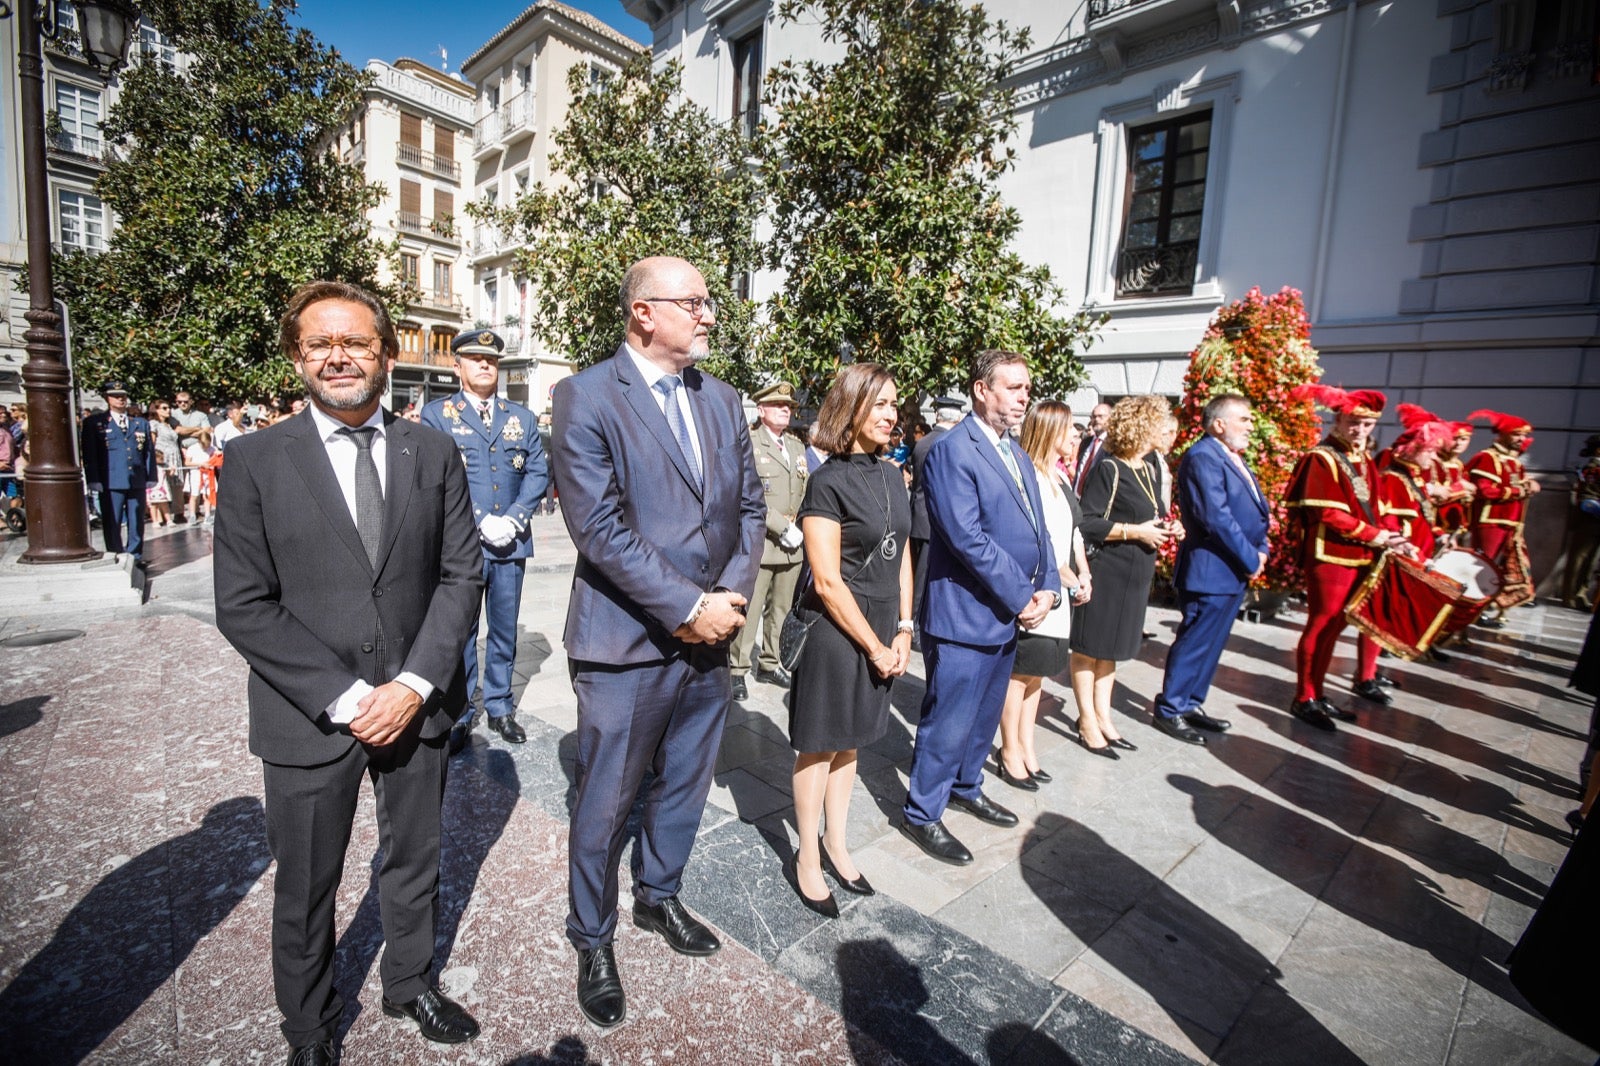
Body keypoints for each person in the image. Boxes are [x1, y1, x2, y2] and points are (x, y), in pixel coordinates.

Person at [212, 280, 485, 1064]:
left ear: (387, 354)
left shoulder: (431, 450)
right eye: (320, 344)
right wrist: (349, 695)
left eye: (357, 342)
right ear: (297, 357)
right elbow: (244, 603)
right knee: (306, 887)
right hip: (307, 716)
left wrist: (413, 686)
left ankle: (410, 984)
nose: (339, 357)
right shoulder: (255, 460)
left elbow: (460, 577)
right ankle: (309, 1026)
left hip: (418, 707)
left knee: (414, 861)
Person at [548, 256, 764, 1028]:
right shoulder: (585, 395)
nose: (710, 314)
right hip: (627, 643)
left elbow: (749, 507)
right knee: (606, 800)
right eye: (695, 302)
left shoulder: (724, 398)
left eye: (708, 302)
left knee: (684, 786)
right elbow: (598, 527)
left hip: (711, 639)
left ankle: (659, 898)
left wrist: (727, 600)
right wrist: (686, 605)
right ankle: (592, 936)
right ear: (644, 312)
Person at [900, 349, 1060, 866]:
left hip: (1007, 613)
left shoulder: (1015, 452)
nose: (1024, 397)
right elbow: (966, 538)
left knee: (986, 714)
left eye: (1026, 388)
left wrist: (1050, 586)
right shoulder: (954, 450)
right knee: (949, 718)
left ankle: (967, 787)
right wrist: (1022, 595)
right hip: (966, 613)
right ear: (980, 390)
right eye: (1013, 388)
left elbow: (1041, 530)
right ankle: (924, 812)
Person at [786, 363, 912, 917]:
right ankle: (807, 858)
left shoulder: (891, 474)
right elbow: (829, 580)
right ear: (852, 407)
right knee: (820, 743)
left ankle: (837, 843)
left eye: (894, 404)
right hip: (838, 632)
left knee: (852, 741)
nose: (891, 414)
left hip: (884, 627)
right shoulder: (828, 480)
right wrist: (875, 646)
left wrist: (904, 628)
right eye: (879, 403)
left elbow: (903, 551)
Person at [421, 329, 549, 749]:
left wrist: (513, 519)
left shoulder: (522, 417)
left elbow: (537, 473)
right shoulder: (438, 415)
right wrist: (478, 522)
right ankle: (460, 710)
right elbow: (436, 477)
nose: (484, 366)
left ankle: (499, 705)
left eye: (491, 360)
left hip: (510, 542)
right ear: (457, 365)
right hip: (461, 544)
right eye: (475, 359)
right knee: (461, 630)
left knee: (504, 629)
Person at [1285, 385, 1409, 729]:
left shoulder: (1365, 459)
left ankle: (1318, 692)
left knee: (1337, 626)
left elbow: (1378, 507)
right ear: (1338, 419)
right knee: (1321, 623)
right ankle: (1304, 697)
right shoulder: (1320, 457)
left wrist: (1393, 537)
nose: (1359, 430)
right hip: (1331, 555)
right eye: (1353, 422)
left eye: (1367, 424)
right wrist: (1375, 535)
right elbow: (1326, 514)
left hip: (1361, 554)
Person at [1148, 395, 1268, 746]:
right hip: (1210, 570)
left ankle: (1191, 703)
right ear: (1219, 423)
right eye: (1243, 419)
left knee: (1212, 644)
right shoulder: (1203, 457)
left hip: (1231, 571)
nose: (1250, 426)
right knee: (1196, 641)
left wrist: (1261, 550)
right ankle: (1171, 709)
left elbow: (1257, 512)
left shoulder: (1230, 457)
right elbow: (1216, 518)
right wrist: (1251, 558)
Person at [1070, 396, 1181, 757]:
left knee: (1112, 650)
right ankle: (1086, 718)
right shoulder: (1110, 468)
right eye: (1159, 422)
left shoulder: (1148, 468)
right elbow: (1088, 521)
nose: (1165, 429)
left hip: (1136, 574)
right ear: (1141, 426)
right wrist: (1136, 532)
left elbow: (1153, 513)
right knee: (1090, 648)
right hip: (1108, 571)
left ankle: (1103, 715)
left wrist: (1170, 526)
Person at [995, 400, 1088, 787]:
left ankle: (1027, 746)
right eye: (1069, 430)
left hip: (1061, 591)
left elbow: (1072, 531)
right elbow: (1040, 538)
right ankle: (1009, 749)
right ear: (1051, 431)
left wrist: (1084, 570)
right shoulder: (1029, 474)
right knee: (1018, 676)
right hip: (1039, 588)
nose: (1075, 437)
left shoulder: (1060, 477)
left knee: (1037, 677)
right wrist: (1064, 574)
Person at [732, 381, 808, 702]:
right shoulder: (750, 443)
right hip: (762, 540)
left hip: (792, 545)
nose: (785, 410)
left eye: (788, 406)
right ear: (761, 410)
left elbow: (804, 491)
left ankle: (770, 662)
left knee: (781, 608)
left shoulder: (795, 446)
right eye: (778, 406)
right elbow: (747, 496)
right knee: (749, 610)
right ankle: (737, 668)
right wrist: (779, 525)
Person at [80, 380, 158, 563]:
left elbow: (148, 452)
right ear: (107, 399)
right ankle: (115, 553)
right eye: (115, 396)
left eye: (123, 396)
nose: (120, 400)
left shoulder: (139, 423)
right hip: (111, 479)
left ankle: (135, 556)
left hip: (136, 479)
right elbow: (90, 453)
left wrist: (150, 476)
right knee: (112, 520)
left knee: (136, 520)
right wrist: (94, 478)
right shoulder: (96, 423)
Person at [908, 397, 964, 620]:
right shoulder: (949, 442)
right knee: (923, 578)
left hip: (920, 515)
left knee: (919, 575)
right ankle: (915, 623)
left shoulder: (924, 441)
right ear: (957, 418)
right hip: (933, 519)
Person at [1565, 433, 1600, 610]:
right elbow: (1588, 497)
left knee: (1591, 560)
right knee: (1580, 558)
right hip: (1590, 520)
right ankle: (1571, 595)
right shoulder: (1593, 468)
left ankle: (1580, 593)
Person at [147, 400, 183, 527]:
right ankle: (159, 518)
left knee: (174, 487)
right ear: (156, 410)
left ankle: (175, 514)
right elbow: (151, 443)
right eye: (164, 408)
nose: (168, 410)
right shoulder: (154, 424)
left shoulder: (169, 424)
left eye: (169, 407)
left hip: (174, 457)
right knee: (161, 488)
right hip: (162, 458)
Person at [1071, 401, 1112, 494]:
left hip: (1096, 499)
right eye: (1093, 416)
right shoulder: (1085, 442)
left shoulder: (1113, 444)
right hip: (1077, 498)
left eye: (1101, 416)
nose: (1096, 419)